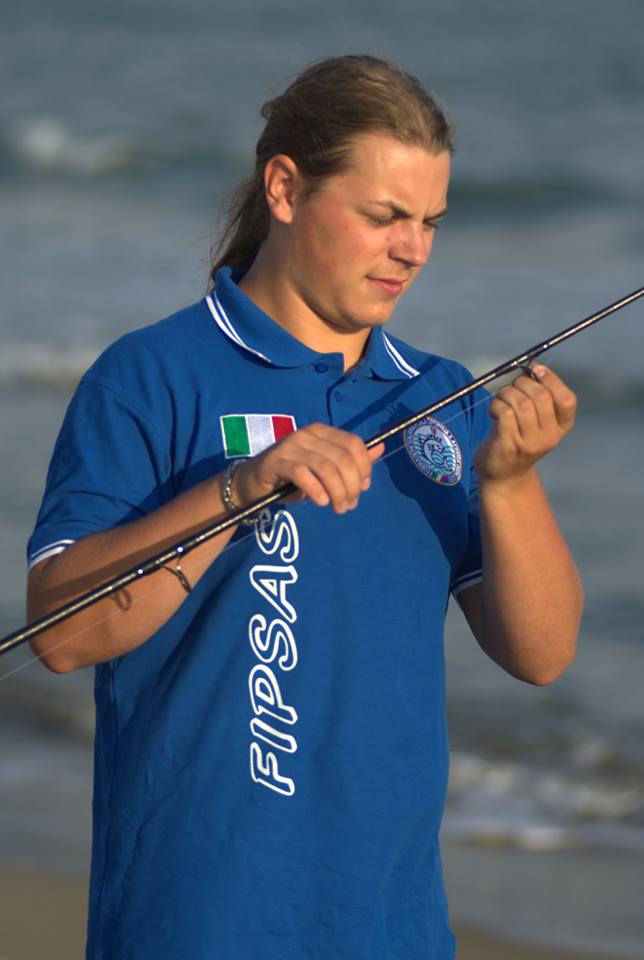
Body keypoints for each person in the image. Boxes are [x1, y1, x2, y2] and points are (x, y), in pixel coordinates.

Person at [26, 55, 582, 959]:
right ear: (285, 188)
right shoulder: (150, 374)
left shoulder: (438, 398)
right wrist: (238, 487)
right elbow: (59, 631)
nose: (414, 249)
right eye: (384, 217)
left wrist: (512, 483)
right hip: (193, 921)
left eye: (430, 222)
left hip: (391, 927)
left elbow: (544, 655)